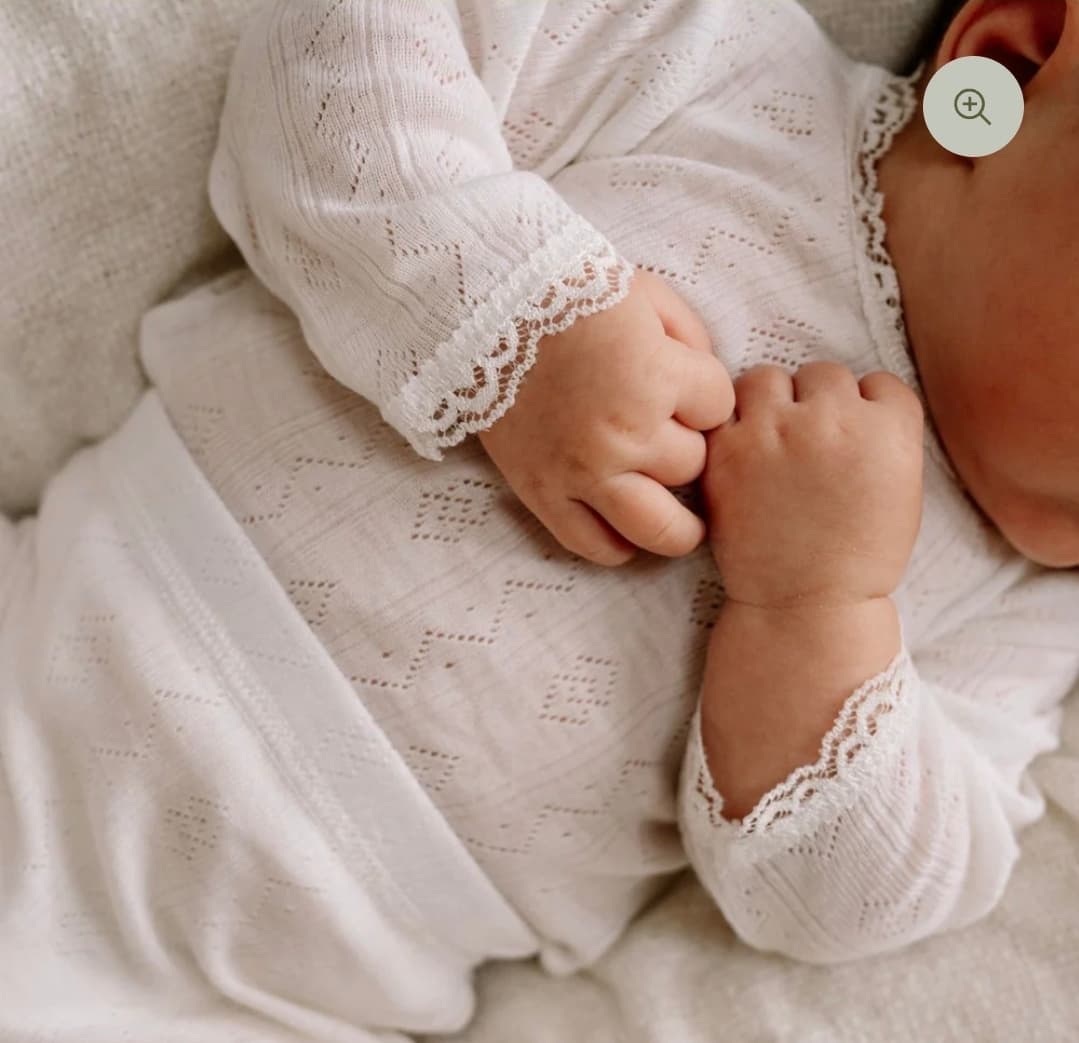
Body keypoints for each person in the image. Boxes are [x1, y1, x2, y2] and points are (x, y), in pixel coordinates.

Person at [2, 0, 1078, 1038]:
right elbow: (339, 51)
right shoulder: (722, 76)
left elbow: (857, 901)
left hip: (277, 991)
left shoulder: (1026, 607)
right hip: (61, 634)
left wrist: (817, 610)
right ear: (1014, 61)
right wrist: (513, 316)